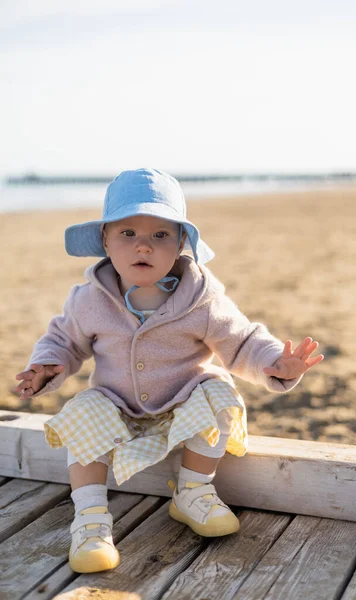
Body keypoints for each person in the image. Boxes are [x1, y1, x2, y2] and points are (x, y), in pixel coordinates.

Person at [15, 168, 324, 574]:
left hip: (183, 403)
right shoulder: (89, 299)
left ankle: (193, 491)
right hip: (118, 405)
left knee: (219, 389)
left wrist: (276, 362)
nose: (143, 245)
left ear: (182, 243)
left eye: (160, 235)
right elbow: (65, 340)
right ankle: (90, 520)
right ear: (105, 240)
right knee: (82, 409)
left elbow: (242, 340)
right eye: (128, 233)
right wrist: (47, 365)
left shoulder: (201, 299)